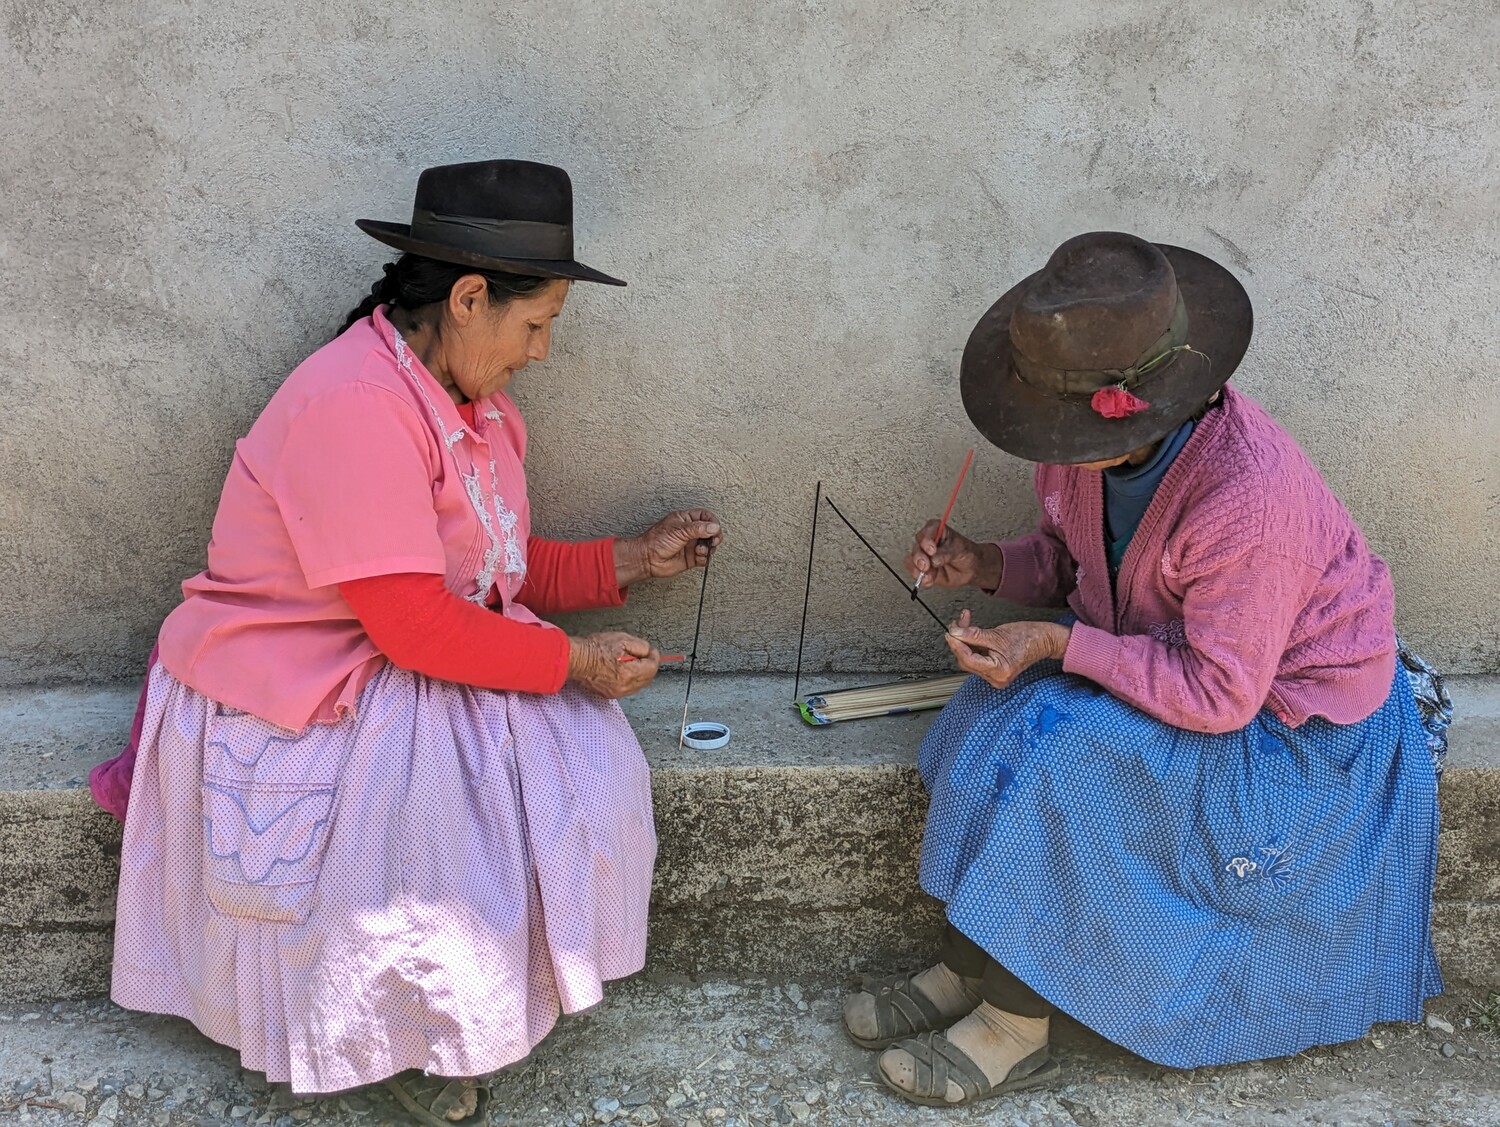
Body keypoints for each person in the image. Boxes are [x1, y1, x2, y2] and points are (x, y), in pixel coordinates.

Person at [88, 160, 723, 1125]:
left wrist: (631, 560)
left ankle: (462, 1005)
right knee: (447, 782)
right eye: (537, 323)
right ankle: (393, 1024)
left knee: (547, 746)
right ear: (470, 299)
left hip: (380, 649)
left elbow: (490, 567)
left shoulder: (468, 402)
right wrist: (577, 663)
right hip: (292, 680)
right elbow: (417, 624)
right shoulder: (357, 407)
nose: (543, 352)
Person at [841, 232, 1444, 1108]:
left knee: (1070, 754)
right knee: (990, 712)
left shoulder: (1247, 501)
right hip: (1188, 676)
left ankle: (1016, 1023)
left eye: (1058, 429)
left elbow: (1220, 693)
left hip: (1292, 737)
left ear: (1132, 413)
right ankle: (966, 963)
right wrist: (982, 563)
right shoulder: (1079, 448)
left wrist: (1054, 645)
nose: (1043, 444)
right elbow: (1074, 564)